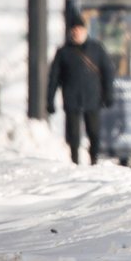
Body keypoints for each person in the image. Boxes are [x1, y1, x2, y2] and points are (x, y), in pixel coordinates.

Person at [47, 15, 116, 165]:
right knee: (73, 135)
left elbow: (108, 71)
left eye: (79, 29)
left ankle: (94, 160)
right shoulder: (63, 52)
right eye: (74, 30)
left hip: (93, 98)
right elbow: (54, 78)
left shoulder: (96, 49)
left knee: (94, 132)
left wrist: (109, 94)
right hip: (71, 98)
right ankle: (75, 162)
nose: (77, 32)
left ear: (85, 30)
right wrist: (50, 100)